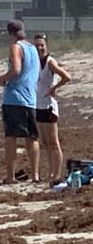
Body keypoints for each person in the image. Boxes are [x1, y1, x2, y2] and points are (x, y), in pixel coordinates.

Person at [0, 20, 41, 183]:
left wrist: (0, 80)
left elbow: (16, 69)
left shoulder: (16, 47)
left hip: (14, 98)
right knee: (32, 137)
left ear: (10, 33)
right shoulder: (33, 49)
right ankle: (35, 175)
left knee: (11, 137)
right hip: (30, 99)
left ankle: (10, 176)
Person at [33, 34, 73, 184]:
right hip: (38, 105)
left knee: (54, 142)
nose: (39, 48)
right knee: (45, 142)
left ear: (46, 46)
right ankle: (51, 173)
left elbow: (67, 77)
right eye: (36, 45)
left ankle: (57, 174)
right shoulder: (35, 62)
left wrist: (54, 88)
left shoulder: (50, 62)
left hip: (49, 106)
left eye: (41, 45)